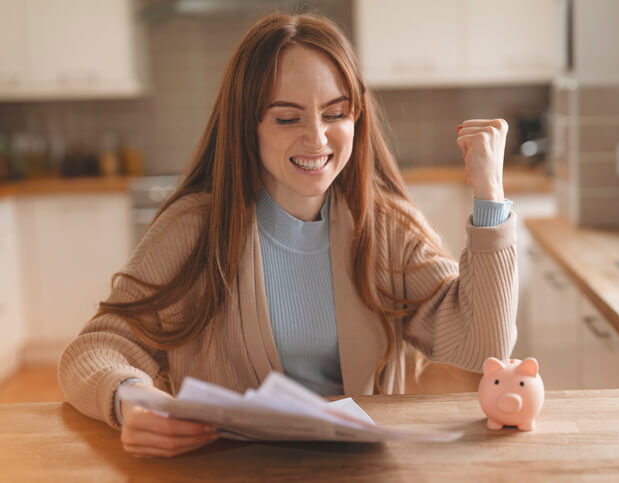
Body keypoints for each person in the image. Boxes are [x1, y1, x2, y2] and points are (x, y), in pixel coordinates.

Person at [58, 12, 518, 458]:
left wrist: (490, 196)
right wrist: (131, 397)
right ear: (248, 125)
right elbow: (96, 348)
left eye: (335, 113)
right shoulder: (193, 230)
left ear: (356, 117)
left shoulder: (387, 229)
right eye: (287, 118)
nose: (317, 139)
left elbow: (484, 344)